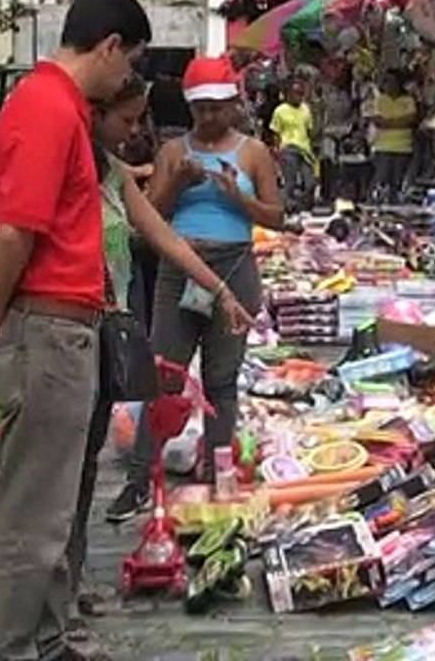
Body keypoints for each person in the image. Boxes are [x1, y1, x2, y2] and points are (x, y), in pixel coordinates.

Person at [0, 0, 150, 661]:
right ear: (110, 47)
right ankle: (7, 644)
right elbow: (14, 231)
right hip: (46, 326)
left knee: (52, 502)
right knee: (33, 507)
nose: (125, 83)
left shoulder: (54, 103)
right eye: (128, 67)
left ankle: (44, 634)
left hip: (60, 324)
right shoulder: (47, 107)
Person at [66, 74, 253, 633]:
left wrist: (224, 288)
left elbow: (162, 233)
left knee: (218, 384)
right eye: (126, 121)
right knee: (153, 385)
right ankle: (49, 602)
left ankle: (67, 592)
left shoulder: (113, 172)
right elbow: (151, 224)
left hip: (185, 288)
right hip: (85, 319)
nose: (134, 132)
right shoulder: (136, 159)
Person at [106, 55, 284, 522]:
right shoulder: (172, 153)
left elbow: (276, 216)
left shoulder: (253, 152)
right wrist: (179, 182)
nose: (208, 117)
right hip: (179, 268)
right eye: (200, 108)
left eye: (216, 107)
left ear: (233, 106)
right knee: (164, 376)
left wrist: (237, 197)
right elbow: (147, 217)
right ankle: (140, 479)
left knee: (222, 381)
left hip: (235, 265)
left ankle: (217, 475)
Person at [368, 69, 418, 204]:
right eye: (386, 81)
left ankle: (394, 207)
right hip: (383, 146)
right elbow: (378, 121)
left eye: (390, 81)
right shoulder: (380, 100)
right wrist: (399, 122)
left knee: (397, 182)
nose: (388, 84)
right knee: (381, 180)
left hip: (403, 147)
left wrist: (389, 122)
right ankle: (376, 206)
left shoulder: (408, 100)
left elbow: (411, 119)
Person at [270, 77, 316, 212]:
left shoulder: (306, 109)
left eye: (301, 93)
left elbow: (309, 129)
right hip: (288, 148)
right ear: (288, 94)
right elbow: (276, 132)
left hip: (304, 149)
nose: (299, 97)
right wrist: (277, 149)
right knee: (290, 182)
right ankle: (286, 207)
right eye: (296, 93)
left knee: (310, 183)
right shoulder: (280, 110)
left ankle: (305, 206)